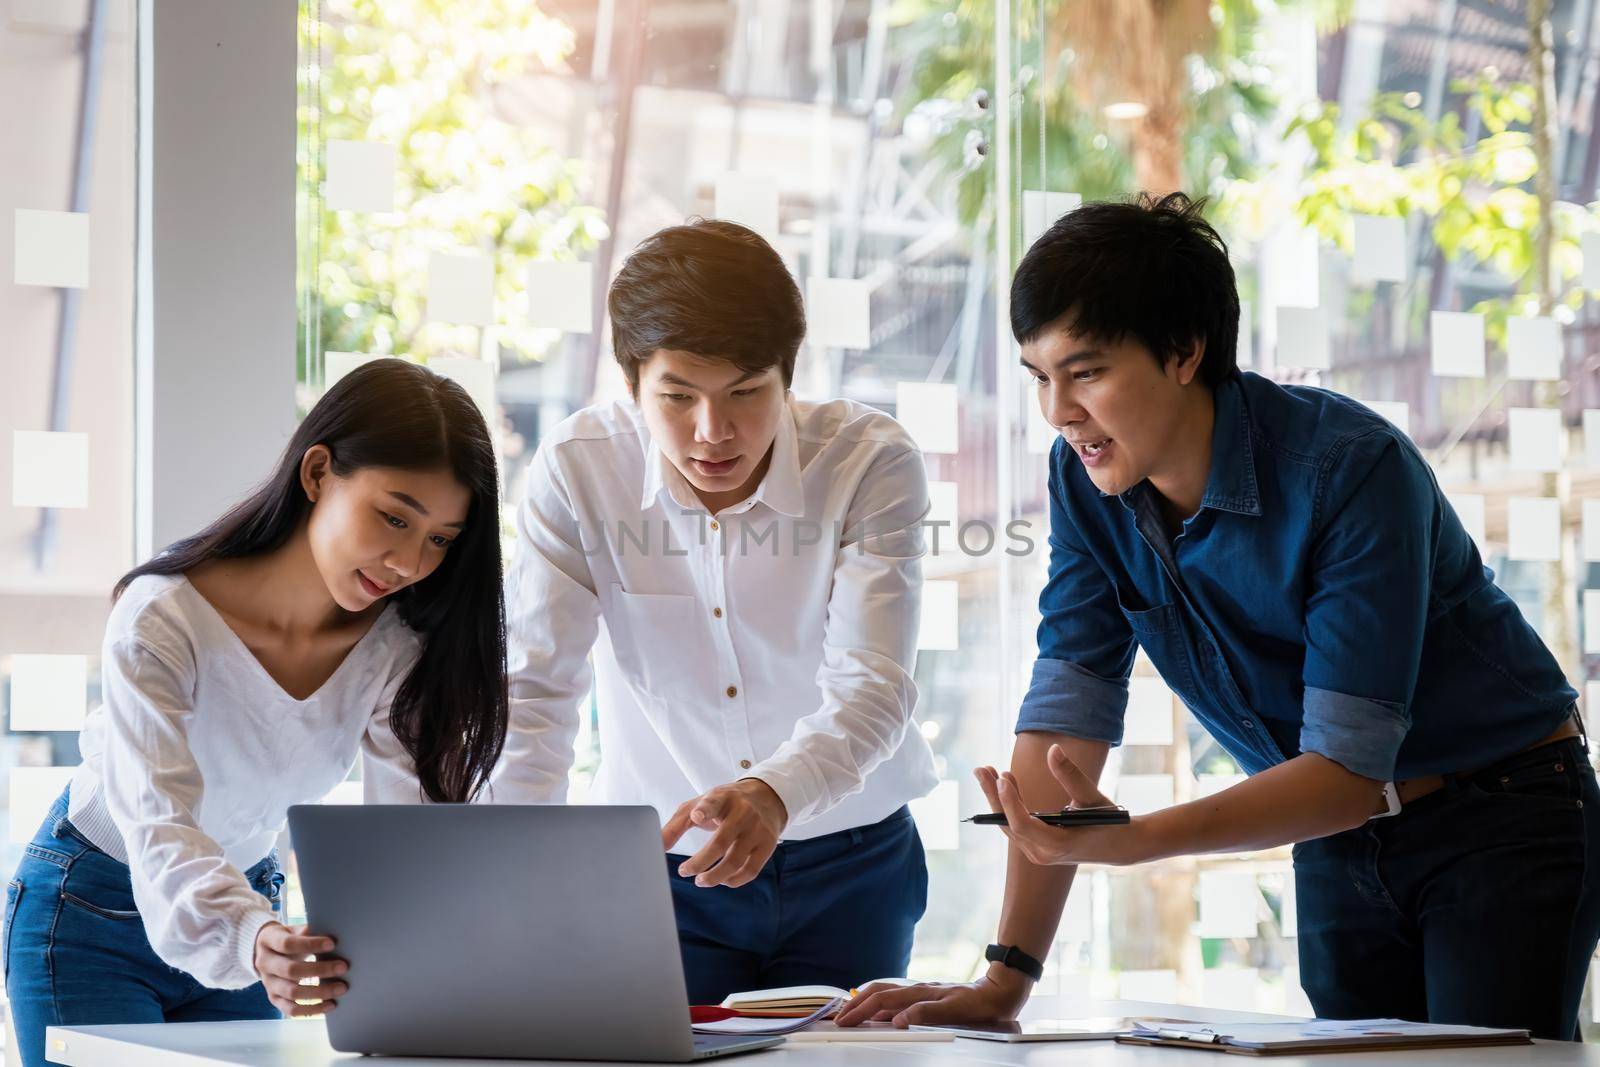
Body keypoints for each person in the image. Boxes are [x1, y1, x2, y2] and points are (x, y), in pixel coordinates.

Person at [837, 192, 1600, 1041]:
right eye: (1040, 378)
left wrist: (1132, 842)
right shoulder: (1086, 483)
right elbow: (1064, 720)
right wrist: (1004, 978)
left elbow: (1346, 765)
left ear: (1184, 351)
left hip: (1499, 807)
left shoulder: (1348, 469)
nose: (1058, 411)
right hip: (1339, 831)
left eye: (1085, 372)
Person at [4, 359, 509, 1067]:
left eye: (440, 539)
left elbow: (406, 836)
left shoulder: (394, 646)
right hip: (93, 909)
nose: (407, 561)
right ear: (317, 474)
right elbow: (160, 823)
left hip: (252, 915)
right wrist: (253, 935)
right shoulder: (163, 617)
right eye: (393, 516)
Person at [489, 219, 937, 1003]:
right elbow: (535, 694)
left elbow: (875, 683)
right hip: (668, 868)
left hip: (854, 863)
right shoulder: (577, 471)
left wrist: (774, 792)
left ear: (787, 379)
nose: (713, 432)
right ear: (631, 383)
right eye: (677, 396)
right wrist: (524, 878)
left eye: (744, 393)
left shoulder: (869, 460)